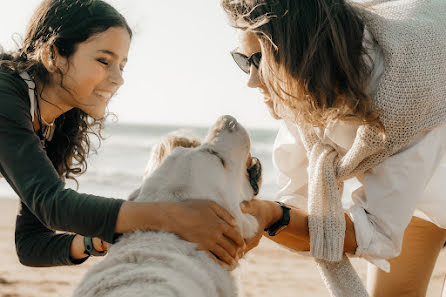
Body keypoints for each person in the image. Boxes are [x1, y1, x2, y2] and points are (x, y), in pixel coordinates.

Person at [222, 0, 446, 296]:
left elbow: (375, 236)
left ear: (299, 50)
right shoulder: (300, 85)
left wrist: (271, 216)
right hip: (418, 200)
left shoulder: (403, 91)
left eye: (259, 60)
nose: (251, 81)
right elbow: (301, 206)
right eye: (244, 59)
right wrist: (256, 215)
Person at [0, 0, 244, 269]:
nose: (119, 79)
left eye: (122, 65)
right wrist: (175, 216)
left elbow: (31, 245)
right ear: (53, 55)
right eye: (104, 61)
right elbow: (54, 206)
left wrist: (93, 241)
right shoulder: (6, 99)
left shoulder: (53, 125)